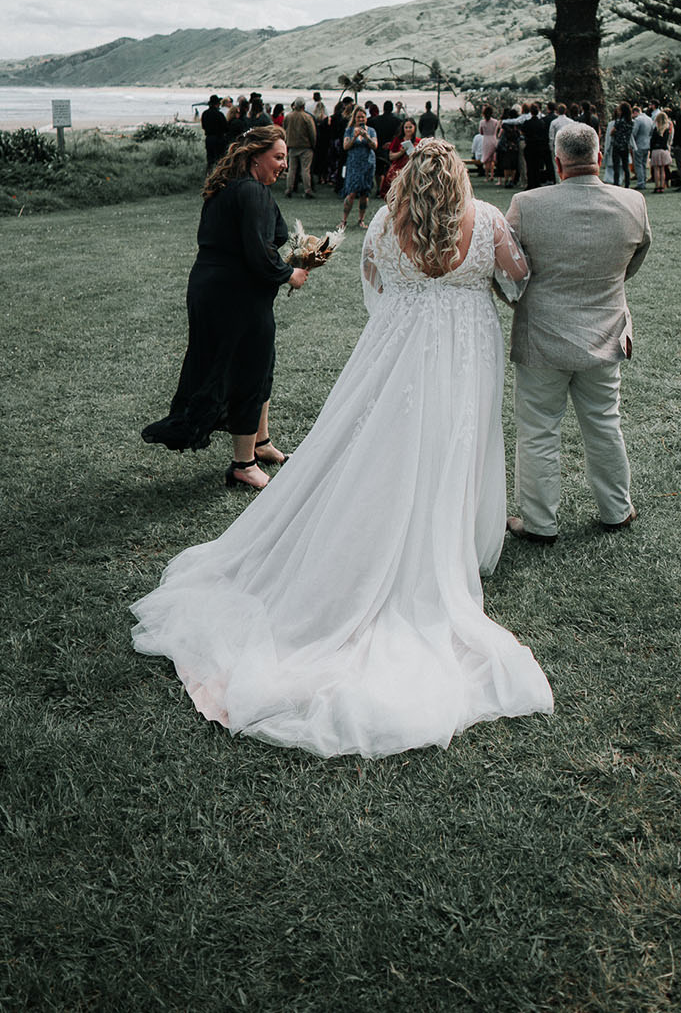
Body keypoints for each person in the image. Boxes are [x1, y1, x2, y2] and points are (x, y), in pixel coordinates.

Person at [130, 140, 553, 759]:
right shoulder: (486, 219)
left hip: (399, 347)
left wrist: (412, 304)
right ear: (459, 175)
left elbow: (375, 283)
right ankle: (443, 537)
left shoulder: (386, 220)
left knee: (385, 442)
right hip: (467, 350)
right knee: (456, 441)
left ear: (408, 176)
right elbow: (518, 276)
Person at [504, 122, 651, 542]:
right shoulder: (633, 203)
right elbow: (634, 259)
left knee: (537, 430)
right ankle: (616, 510)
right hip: (606, 334)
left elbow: (508, 268)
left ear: (557, 162)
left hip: (542, 338)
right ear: (600, 157)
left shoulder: (528, 205)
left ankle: (538, 522)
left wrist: (518, 298)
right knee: (605, 422)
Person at [140, 126, 309, 490]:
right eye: (278, 157)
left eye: (284, 157)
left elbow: (263, 237)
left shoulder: (231, 189)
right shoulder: (250, 192)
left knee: (262, 363)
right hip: (235, 293)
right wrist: (290, 273)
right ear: (254, 157)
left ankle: (260, 443)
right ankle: (243, 465)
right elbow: (260, 255)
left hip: (212, 288)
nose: (282, 165)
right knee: (249, 369)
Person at [342, 103, 378, 226]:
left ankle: (361, 220)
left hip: (368, 164)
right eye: (358, 117)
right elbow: (345, 146)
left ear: (366, 118)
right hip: (354, 164)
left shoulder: (371, 131)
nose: (361, 119)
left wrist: (366, 137)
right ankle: (344, 219)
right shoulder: (349, 130)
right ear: (354, 118)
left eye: (363, 117)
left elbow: (374, 146)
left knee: (364, 193)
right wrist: (354, 137)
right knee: (351, 192)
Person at [284, 98, 317, 199]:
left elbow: (284, 128)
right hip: (305, 146)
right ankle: (307, 190)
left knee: (291, 169)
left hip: (292, 146)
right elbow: (312, 133)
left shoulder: (288, 116)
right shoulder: (307, 117)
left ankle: (289, 189)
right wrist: (313, 145)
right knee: (305, 170)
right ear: (303, 106)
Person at [379, 116, 419, 197]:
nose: (408, 129)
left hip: (413, 169)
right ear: (403, 128)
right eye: (406, 127)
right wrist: (401, 152)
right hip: (398, 169)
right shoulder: (397, 140)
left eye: (410, 127)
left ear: (414, 128)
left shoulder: (418, 141)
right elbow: (391, 156)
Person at [200, 94, 230, 172]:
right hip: (219, 138)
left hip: (209, 138)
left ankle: (209, 174)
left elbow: (203, 126)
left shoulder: (205, 114)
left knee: (210, 159)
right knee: (219, 159)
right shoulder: (219, 114)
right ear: (217, 104)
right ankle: (218, 174)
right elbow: (225, 128)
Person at [610, 102, 636, 187]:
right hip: (625, 145)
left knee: (616, 166)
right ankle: (627, 184)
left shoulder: (619, 121)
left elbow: (612, 132)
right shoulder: (631, 122)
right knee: (626, 166)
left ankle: (616, 183)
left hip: (617, 145)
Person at [649, 109, 673, 193]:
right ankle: (662, 186)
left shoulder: (656, 129)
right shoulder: (666, 129)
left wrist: (651, 150)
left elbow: (652, 141)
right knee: (663, 169)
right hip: (664, 150)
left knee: (656, 169)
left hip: (656, 150)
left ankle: (657, 186)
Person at [631, 105, 654, 191]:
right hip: (647, 144)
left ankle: (641, 182)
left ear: (635, 112)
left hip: (639, 144)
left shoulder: (638, 120)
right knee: (644, 164)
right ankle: (643, 180)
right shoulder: (649, 119)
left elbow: (634, 132)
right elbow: (651, 131)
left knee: (638, 164)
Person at [479, 104, 500, 180]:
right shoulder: (495, 122)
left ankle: (487, 176)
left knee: (486, 159)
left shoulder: (482, 122)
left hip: (486, 139)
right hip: (493, 139)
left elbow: (481, 132)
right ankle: (492, 175)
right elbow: (497, 131)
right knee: (492, 159)